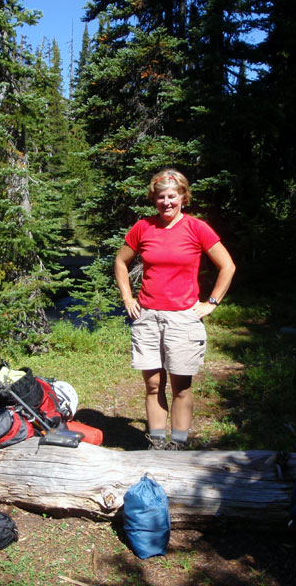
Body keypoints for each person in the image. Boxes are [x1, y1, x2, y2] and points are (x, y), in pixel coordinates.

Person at [114, 168, 235, 450]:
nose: (166, 202)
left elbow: (227, 266)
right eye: (160, 197)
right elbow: (121, 262)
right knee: (153, 385)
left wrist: (211, 303)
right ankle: (157, 444)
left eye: (171, 196)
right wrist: (128, 298)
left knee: (182, 386)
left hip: (183, 318)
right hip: (147, 317)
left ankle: (178, 446)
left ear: (183, 196)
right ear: (154, 199)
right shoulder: (143, 227)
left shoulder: (196, 228)